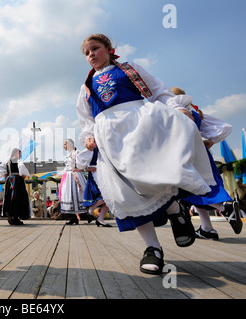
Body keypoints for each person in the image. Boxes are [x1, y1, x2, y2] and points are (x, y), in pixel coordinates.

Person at [76, 34, 216, 275]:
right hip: (109, 139)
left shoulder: (130, 69)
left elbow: (159, 91)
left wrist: (177, 108)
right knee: (125, 193)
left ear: (109, 49)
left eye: (95, 49)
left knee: (156, 175)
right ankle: (153, 248)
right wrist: (88, 135)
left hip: (139, 128)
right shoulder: (86, 86)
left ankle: (174, 210)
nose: (91, 55)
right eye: (87, 53)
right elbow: (86, 117)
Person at [170, 87, 242, 239]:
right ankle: (206, 228)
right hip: (202, 152)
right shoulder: (196, 112)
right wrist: (211, 141)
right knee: (196, 190)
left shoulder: (174, 108)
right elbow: (224, 127)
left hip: (186, 153)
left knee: (192, 188)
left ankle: (225, 207)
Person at [0, 148, 30, 225]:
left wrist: (6, 177)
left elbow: (0, 168)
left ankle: (11, 216)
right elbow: (22, 170)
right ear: (16, 153)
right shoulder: (18, 161)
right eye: (20, 154)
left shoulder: (8, 161)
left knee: (10, 198)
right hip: (17, 180)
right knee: (18, 198)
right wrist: (23, 176)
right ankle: (16, 217)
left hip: (10, 180)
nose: (21, 156)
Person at [81, 148, 112, 227]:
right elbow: (80, 160)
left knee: (111, 199)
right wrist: (87, 167)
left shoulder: (105, 144)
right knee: (105, 196)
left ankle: (100, 219)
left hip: (106, 173)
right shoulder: (92, 147)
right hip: (96, 175)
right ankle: (91, 209)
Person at [58, 139, 87, 225]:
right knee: (70, 196)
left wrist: (82, 168)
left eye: (65, 144)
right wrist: (58, 174)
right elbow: (66, 167)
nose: (64, 146)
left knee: (77, 194)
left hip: (75, 175)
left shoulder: (76, 152)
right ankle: (73, 217)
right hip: (68, 176)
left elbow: (84, 161)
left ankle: (87, 215)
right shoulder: (67, 155)